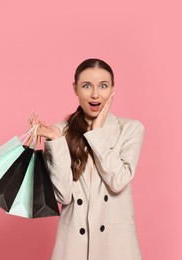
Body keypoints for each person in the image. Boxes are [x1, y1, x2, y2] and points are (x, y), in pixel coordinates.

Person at [29, 58, 145, 260]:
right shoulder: (59, 132)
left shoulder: (130, 129)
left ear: (112, 89)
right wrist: (56, 142)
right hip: (74, 247)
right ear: (75, 89)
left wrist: (97, 132)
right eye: (86, 86)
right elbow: (63, 196)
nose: (95, 94)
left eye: (103, 86)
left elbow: (118, 181)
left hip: (116, 247)